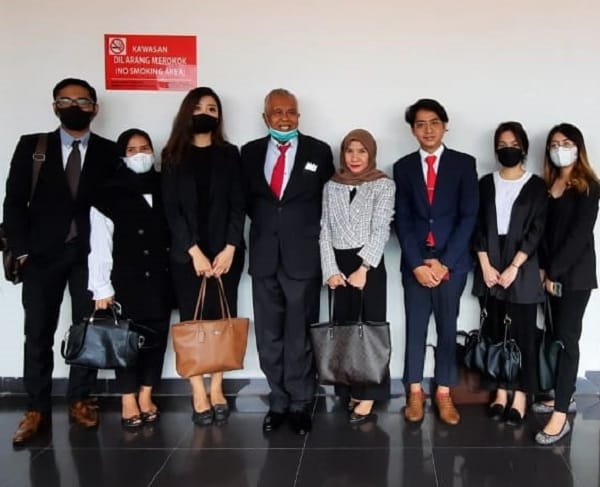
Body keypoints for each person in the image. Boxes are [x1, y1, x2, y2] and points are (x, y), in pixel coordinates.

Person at [4, 78, 119, 445]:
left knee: (88, 331)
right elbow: (14, 202)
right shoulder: (33, 147)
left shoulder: (109, 151)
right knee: (37, 332)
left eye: (82, 101)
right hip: (41, 255)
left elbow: (118, 204)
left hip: (89, 255)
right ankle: (36, 407)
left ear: (95, 109)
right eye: (65, 100)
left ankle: (80, 399)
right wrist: (22, 251)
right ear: (55, 106)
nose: (74, 106)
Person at [241, 88, 334, 435]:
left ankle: (300, 402)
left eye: (290, 112)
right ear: (265, 117)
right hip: (265, 256)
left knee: (299, 334)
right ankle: (278, 401)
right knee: (269, 336)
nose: (284, 118)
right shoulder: (249, 153)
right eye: (277, 112)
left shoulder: (318, 151)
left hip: (303, 257)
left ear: (298, 116)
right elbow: (247, 202)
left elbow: (328, 202)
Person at [162, 87, 245, 426]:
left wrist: (230, 247)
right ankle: (197, 390)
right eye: (199, 107)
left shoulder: (230, 154)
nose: (206, 113)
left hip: (226, 254)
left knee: (222, 320)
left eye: (212, 108)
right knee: (192, 321)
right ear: (187, 111)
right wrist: (193, 250)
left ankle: (218, 388)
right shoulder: (172, 155)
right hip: (188, 256)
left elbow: (239, 204)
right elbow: (171, 209)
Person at [393, 98, 478, 426]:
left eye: (434, 123)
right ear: (412, 130)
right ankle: (414, 391)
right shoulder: (403, 167)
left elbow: (468, 217)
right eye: (420, 124)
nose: (427, 130)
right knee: (415, 327)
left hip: (451, 264)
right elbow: (402, 219)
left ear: (445, 125)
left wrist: (445, 263)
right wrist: (417, 264)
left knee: (447, 327)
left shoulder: (463, 164)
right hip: (415, 263)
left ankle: (444, 392)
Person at [88, 128, 171, 429]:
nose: (140, 154)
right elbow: (100, 243)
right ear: (122, 155)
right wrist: (101, 286)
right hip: (125, 279)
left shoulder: (165, 185)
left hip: (160, 277)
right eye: (132, 150)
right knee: (125, 341)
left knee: (157, 338)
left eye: (145, 148)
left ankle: (147, 394)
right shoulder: (108, 193)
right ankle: (127, 398)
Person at [472, 121, 547, 425]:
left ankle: (521, 396)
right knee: (494, 331)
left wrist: (515, 266)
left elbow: (537, 229)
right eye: (502, 145)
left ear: (524, 148)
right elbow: (477, 226)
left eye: (513, 145)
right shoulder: (485, 183)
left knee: (522, 334)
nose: (508, 150)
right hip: (489, 262)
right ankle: (500, 392)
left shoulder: (536, 185)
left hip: (523, 264)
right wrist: (485, 265)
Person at [319, 128, 395, 424]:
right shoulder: (332, 185)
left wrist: (364, 269)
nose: (355, 157)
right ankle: (350, 387)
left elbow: (382, 228)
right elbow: (325, 229)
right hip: (339, 267)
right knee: (345, 329)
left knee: (370, 331)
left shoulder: (383, 184)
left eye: (361, 151)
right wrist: (330, 270)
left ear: (371, 153)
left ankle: (369, 394)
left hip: (368, 266)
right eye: (349, 151)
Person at [533, 123, 599, 445]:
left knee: (568, 339)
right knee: (555, 335)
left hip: (574, 277)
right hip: (549, 275)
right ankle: (564, 395)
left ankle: (560, 417)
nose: (560, 148)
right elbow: (542, 232)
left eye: (567, 143)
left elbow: (578, 237)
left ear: (578, 147)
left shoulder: (589, 187)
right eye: (554, 144)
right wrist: (542, 268)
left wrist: (553, 273)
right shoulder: (548, 184)